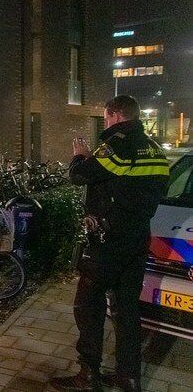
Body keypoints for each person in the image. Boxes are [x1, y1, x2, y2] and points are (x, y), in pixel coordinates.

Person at [49, 96, 169, 392]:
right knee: (127, 309)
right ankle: (129, 377)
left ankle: (88, 375)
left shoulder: (115, 147)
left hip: (106, 242)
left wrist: (80, 155)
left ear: (115, 115)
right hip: (138, 238)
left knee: (88, 306)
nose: (105, 122)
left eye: (106, 117)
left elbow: (79, 176)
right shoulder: (155, 150)